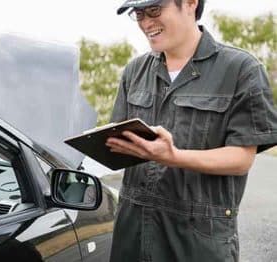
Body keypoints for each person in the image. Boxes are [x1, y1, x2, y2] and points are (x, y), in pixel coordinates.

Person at [107, 0, 277, 261]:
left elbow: (242, 159)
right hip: (132, 232)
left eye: (154, 10)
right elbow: (117, 141)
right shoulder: (134, 71)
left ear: (190, 3)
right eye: (139, 14)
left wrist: (174, 157)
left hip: (199, 238)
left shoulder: (241, 69)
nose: (145, 23)